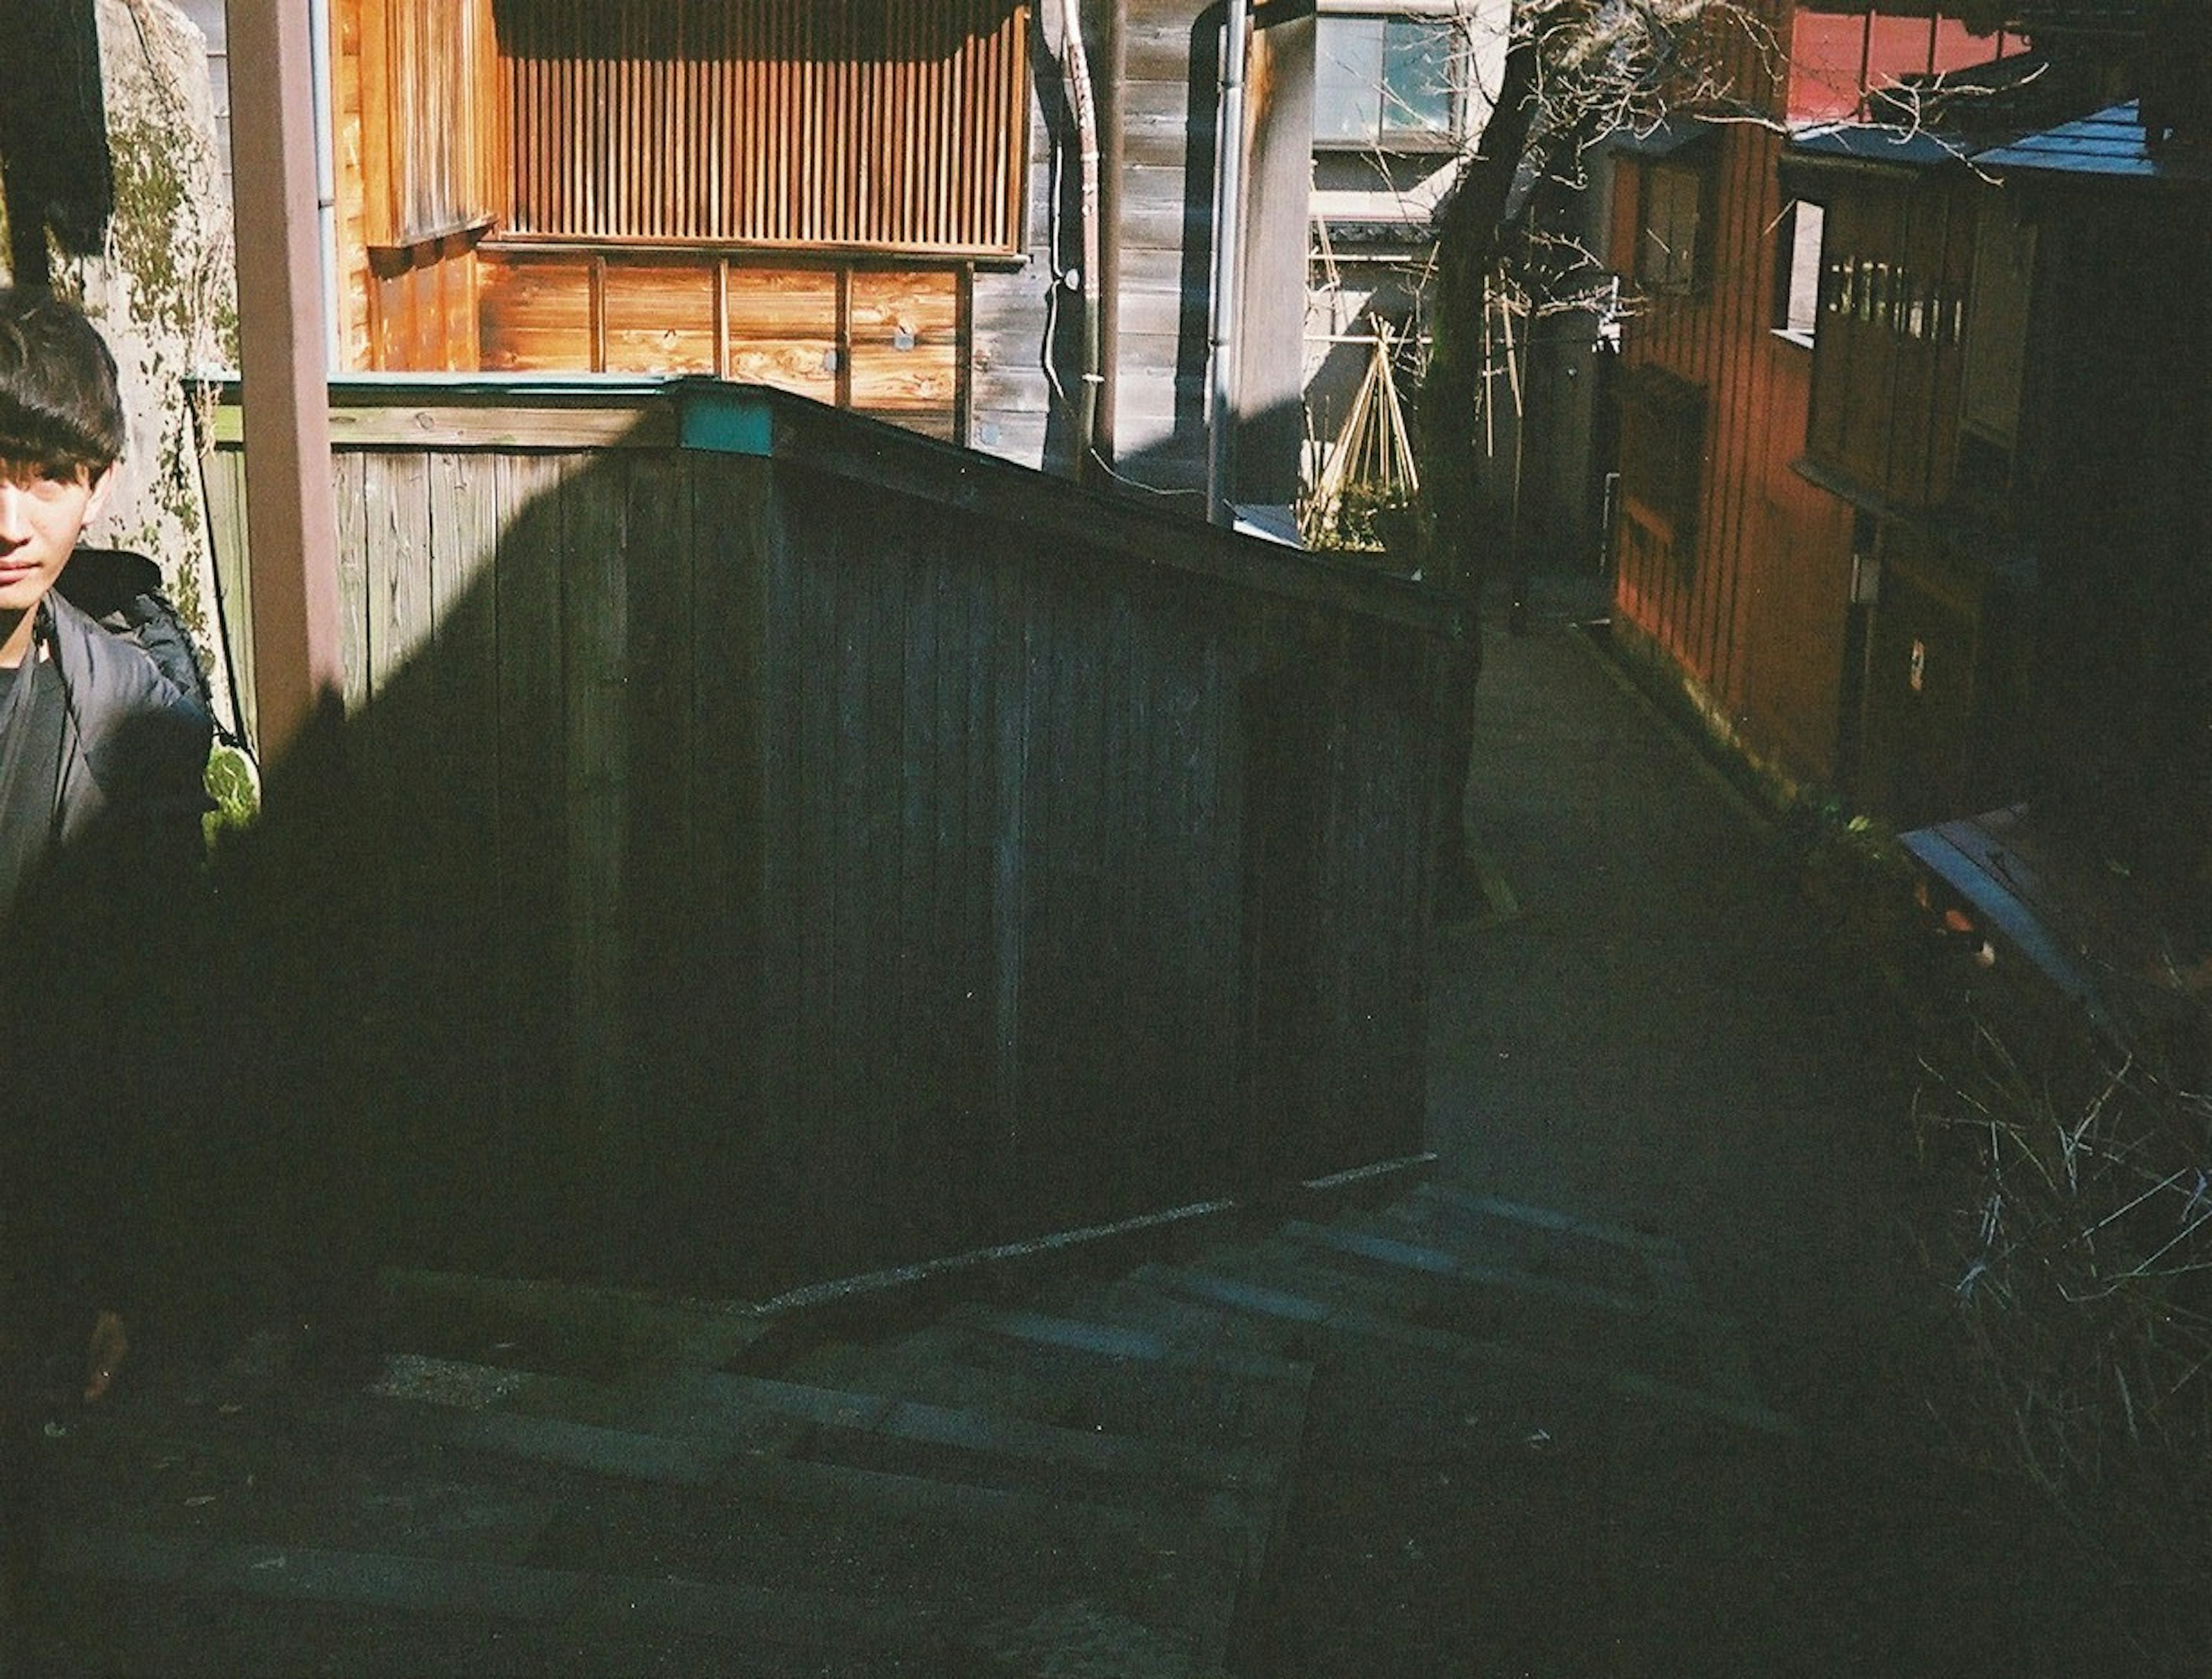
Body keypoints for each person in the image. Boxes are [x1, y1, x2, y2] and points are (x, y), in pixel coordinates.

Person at [0, 287, 210, 1656]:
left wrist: (128, 1272)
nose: (11, 517)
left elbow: (153, 1024)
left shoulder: (124, 718)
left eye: (47, 475)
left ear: (100, 489)